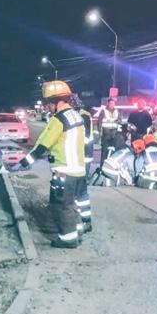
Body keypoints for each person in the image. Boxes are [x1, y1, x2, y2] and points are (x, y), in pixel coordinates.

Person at [14, 81, 86, 248]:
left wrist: (24, 163)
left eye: (49, 103)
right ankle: (77, 231)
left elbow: (43, 145)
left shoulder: (58, 119)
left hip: (64, 170)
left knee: (62, 205)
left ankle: (68, 239)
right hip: (79, 170)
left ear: (57, 101)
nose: (47, 106)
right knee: (71, 203)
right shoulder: (76, 116)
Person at [71, 94, 93, 233]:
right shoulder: (82, 115)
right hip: (82, 156)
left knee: (79, 190)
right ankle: (84, 220)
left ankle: (82, 221)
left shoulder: (82, 116)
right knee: (80, 190)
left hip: (82, 157)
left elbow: (84, 138)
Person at [97, 98, 122, 164]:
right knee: (104, 151)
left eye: (113, 103)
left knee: (113, 151)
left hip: (114, 134)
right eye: (111, 103)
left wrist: (118, 121)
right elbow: (99, 122)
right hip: (106, 134)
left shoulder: (116, 111)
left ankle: (110, 165)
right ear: (108, 104)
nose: (112, 105)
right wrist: (100, 132)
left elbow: (120, 120)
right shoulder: (104, 111)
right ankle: (102, 165)